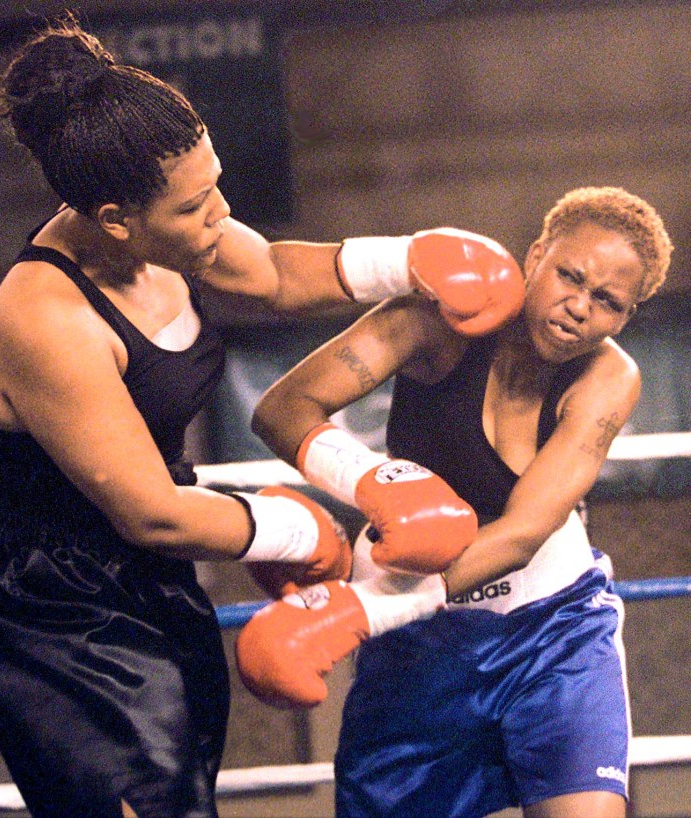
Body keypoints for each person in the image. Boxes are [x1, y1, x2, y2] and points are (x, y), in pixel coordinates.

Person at [0, 15, 525, 818]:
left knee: (188, 793)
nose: (219, 212)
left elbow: (278, 276)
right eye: (194, 205)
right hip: (54, 597)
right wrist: (297, 528)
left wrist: (413, 258)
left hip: (156, 564)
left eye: (214, 181)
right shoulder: (49, 319)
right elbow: (149, 513)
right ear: (115, 217)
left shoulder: (172, 236)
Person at [236, 186, 673, 818]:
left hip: (552, 628)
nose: (578, 307)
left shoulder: (610, 376)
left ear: (625, 317)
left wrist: (362, 609)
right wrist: (371, 480)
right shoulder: (434, 322)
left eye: (607, 301)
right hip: (419, 645)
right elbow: (282, 410)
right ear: (536, 255)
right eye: (569, 277)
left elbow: (524, 531)